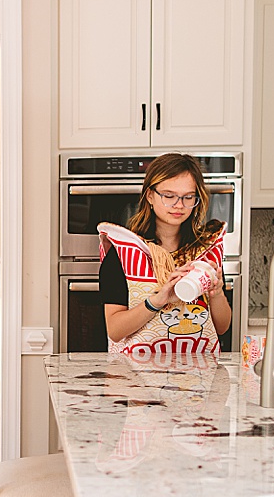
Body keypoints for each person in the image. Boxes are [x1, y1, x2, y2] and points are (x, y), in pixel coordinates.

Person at [98, 152, 231, 356]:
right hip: (136, 379)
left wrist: (218, 294)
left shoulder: (206, 252)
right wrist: (157, 301)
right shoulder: (124, 253)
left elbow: (222, 327)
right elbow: (115, 331)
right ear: (150, 195)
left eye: (188, 197)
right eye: (169, 196)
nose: (179, 205)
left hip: (196, 378)